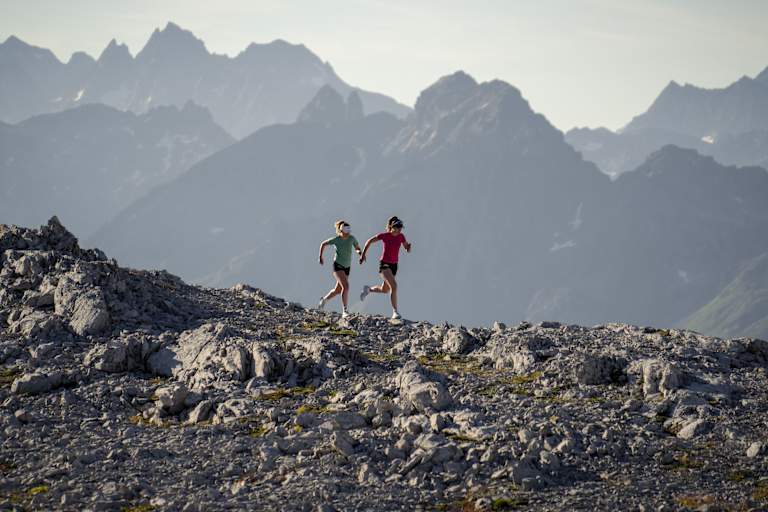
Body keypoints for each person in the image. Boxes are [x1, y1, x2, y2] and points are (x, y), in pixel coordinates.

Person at [359, 215, 412, 319]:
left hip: (394, 266)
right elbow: (369, 241)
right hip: (384, 264)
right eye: (397, 227)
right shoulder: (384, 236)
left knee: (385, 290)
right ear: (392, 227)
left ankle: (368, 290)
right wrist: (363, 255)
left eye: (401, 227)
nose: (399, 229)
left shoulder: (401, 237)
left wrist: (408, 248)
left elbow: (406, 247)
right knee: (394, 286)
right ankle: (395, 312)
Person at [318, 220, 361, 318]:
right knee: (345, 287)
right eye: (346, 230)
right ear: (341, 231)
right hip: (337, 266)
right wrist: (320, 256)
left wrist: (360, 253)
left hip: (347, 267)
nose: (348, 232)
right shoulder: (336, 239)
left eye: (349, 230)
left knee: (338, 290)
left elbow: (357, 247)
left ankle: (324, 300)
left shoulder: (352, 239)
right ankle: (345, 310)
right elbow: (323, 244)